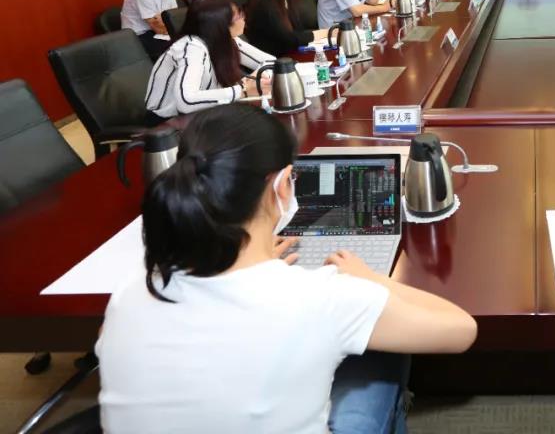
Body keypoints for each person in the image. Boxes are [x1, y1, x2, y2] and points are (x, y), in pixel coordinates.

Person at [97, 104, 477, 433]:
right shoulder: (324, 297)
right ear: (281, 184)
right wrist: (373, 280)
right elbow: (461, 330)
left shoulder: (131, 294)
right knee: (379, 352)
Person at [144, 0, 274, 120]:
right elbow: (186, 101)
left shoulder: (226, 39)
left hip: (205, 111)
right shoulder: (191, 47)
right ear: (220, 24)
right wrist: (242, 91)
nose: (244, 17)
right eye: (239, 15)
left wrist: (260, 79)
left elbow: (271, 62)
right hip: (168, 121)